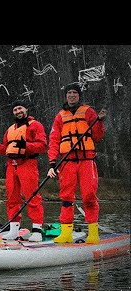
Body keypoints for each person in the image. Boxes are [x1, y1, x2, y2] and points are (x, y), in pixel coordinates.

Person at [47, 84, 106, 244]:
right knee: (66, 197)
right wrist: (52, 162)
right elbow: (54, 140)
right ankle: (66, 232)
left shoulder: (88, 112)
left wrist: (99, 122)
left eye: (74, 93)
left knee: (88, 195)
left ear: (79, 96)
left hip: (86, 160)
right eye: (69, 93)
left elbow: (98, 136)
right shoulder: (60, 116)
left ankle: (93, 233)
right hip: (67, 162)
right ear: (66, 96)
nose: (71, 95)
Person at [0, 100, 47, 241]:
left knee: (32, 196)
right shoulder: (10, 130)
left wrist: (26, 145)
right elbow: (4, 149)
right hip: (11, 166)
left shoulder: (35, 125)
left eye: (20, 108)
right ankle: (13, 229)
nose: (18, 111)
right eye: (15, 110)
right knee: (12, 197)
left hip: (28, 164)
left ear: (26, 110)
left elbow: (42, 146)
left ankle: (36, 230)